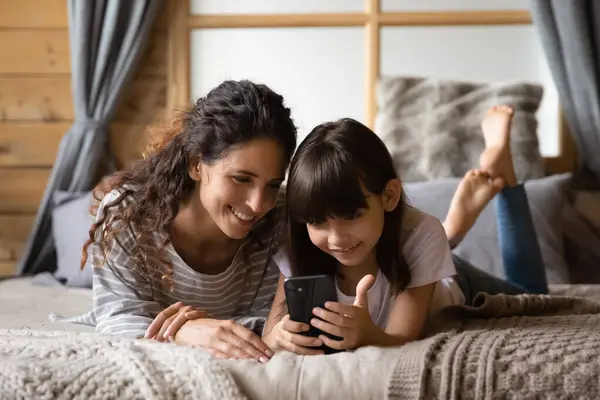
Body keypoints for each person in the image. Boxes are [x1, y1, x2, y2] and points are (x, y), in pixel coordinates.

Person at [261, 106, 548, 355]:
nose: (335, 238)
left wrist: (367, 333)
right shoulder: (298, 244)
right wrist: (278, 337)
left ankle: (506, 183)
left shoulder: (422, 235)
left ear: (389, 196)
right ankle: (452, 231)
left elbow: (402, 338)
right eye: (318, 222)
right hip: (410, 248)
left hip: (451, 282)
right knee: (425, 239)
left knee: (536, 296)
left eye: (351, 216)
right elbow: (269, 336)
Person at [64, 80, 297, 364]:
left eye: (272, 185)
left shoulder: (282, 218)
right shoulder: (127, 214)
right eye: (241, 178)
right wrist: (185, 331)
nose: (258, 204)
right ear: (196, 164)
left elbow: (274, 328)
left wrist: (203, 329)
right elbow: (118, 319)